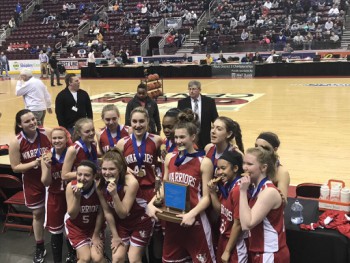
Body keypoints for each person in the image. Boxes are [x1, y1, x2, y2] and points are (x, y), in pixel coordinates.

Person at [147, 109, 216, 262]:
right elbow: (164, 187)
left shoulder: (204, 162)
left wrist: (191, 214)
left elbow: (206, 198)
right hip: (173, 221)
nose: (178, 141)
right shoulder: (170, 158)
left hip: (195, 221)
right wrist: (151, 204)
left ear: (193, 137)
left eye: (182, 137)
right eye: (176, 137)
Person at [97, 148, 155, 263]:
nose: (107, 173)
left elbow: (123, 213)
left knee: (133, 258)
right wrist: (115, 236)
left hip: (141, 221)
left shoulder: (131, 183)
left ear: (120, 169)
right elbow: (107, 212)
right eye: (104, 169)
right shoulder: (100, 185)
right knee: (117, 258)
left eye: (112, 169)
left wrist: (114, 194)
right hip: (122, 224)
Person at [9, 109, 52, 263]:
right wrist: (35, 162)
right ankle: (40, 245)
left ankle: (68, 243)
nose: (32, 122)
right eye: (27, 121)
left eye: (33, 119)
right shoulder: (16, 142)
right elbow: (15, 167)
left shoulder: (47, 132)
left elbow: (62, 148)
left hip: (52, 180)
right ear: (20, 125)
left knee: (60, 213)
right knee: (38, 214)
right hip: (33, 183)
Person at [239, 147, 290, 262]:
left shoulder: (268, 192)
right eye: (244, 163)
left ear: (263, 167)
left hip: (270, 254)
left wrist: (242, 192)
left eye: (250, 164)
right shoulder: (257, 188)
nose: (244, 167)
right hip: (261, 252)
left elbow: (246, 224)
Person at [41, 127, 76, 263]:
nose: (57, 141)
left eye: (60, 138)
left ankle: (71, 256)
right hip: (54, 196)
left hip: (71, 196)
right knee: (56, 231)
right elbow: (45, 182)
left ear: (66, 139)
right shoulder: (46, 155)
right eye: (54, 138)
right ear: (50, 140)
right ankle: (57, 260)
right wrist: (48, 167)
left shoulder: (72, 152)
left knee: (71, 228)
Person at [207, 151, 248, 263]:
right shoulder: (227, 185)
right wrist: (212, 193)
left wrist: (228, 251)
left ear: (235, 168)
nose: (219, 172)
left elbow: (238, 223)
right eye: (218, 168)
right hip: (224, 237)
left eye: (223, 168)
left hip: (236, 243)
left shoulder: (238, 190)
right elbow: (222, 211)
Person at [64, 160, 106, 263]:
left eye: (87, 175)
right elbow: (72, 215)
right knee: (85, 258)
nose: (82, 178)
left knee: (97, 258)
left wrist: (95, 235)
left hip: (94, 226)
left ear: (94, 176)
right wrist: (77, 198)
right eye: (79, 174)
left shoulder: (99, 188)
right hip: (76, 226)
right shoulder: (71, 187)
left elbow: (101, 213)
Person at [177, 80, 219, 150]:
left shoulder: (209, 101)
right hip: (188, 135)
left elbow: (215, 118)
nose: (191, 91)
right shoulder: (182, 103)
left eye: (193, 89)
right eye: (189, 89)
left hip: (205, 135)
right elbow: (179, 121)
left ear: (199, 89)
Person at [255, 132, 290, 203]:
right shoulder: (252, 165)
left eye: (263, 147)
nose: (258, 150)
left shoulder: (282, 172)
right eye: (256, 146)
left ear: (275, 149)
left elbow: (283, 203)